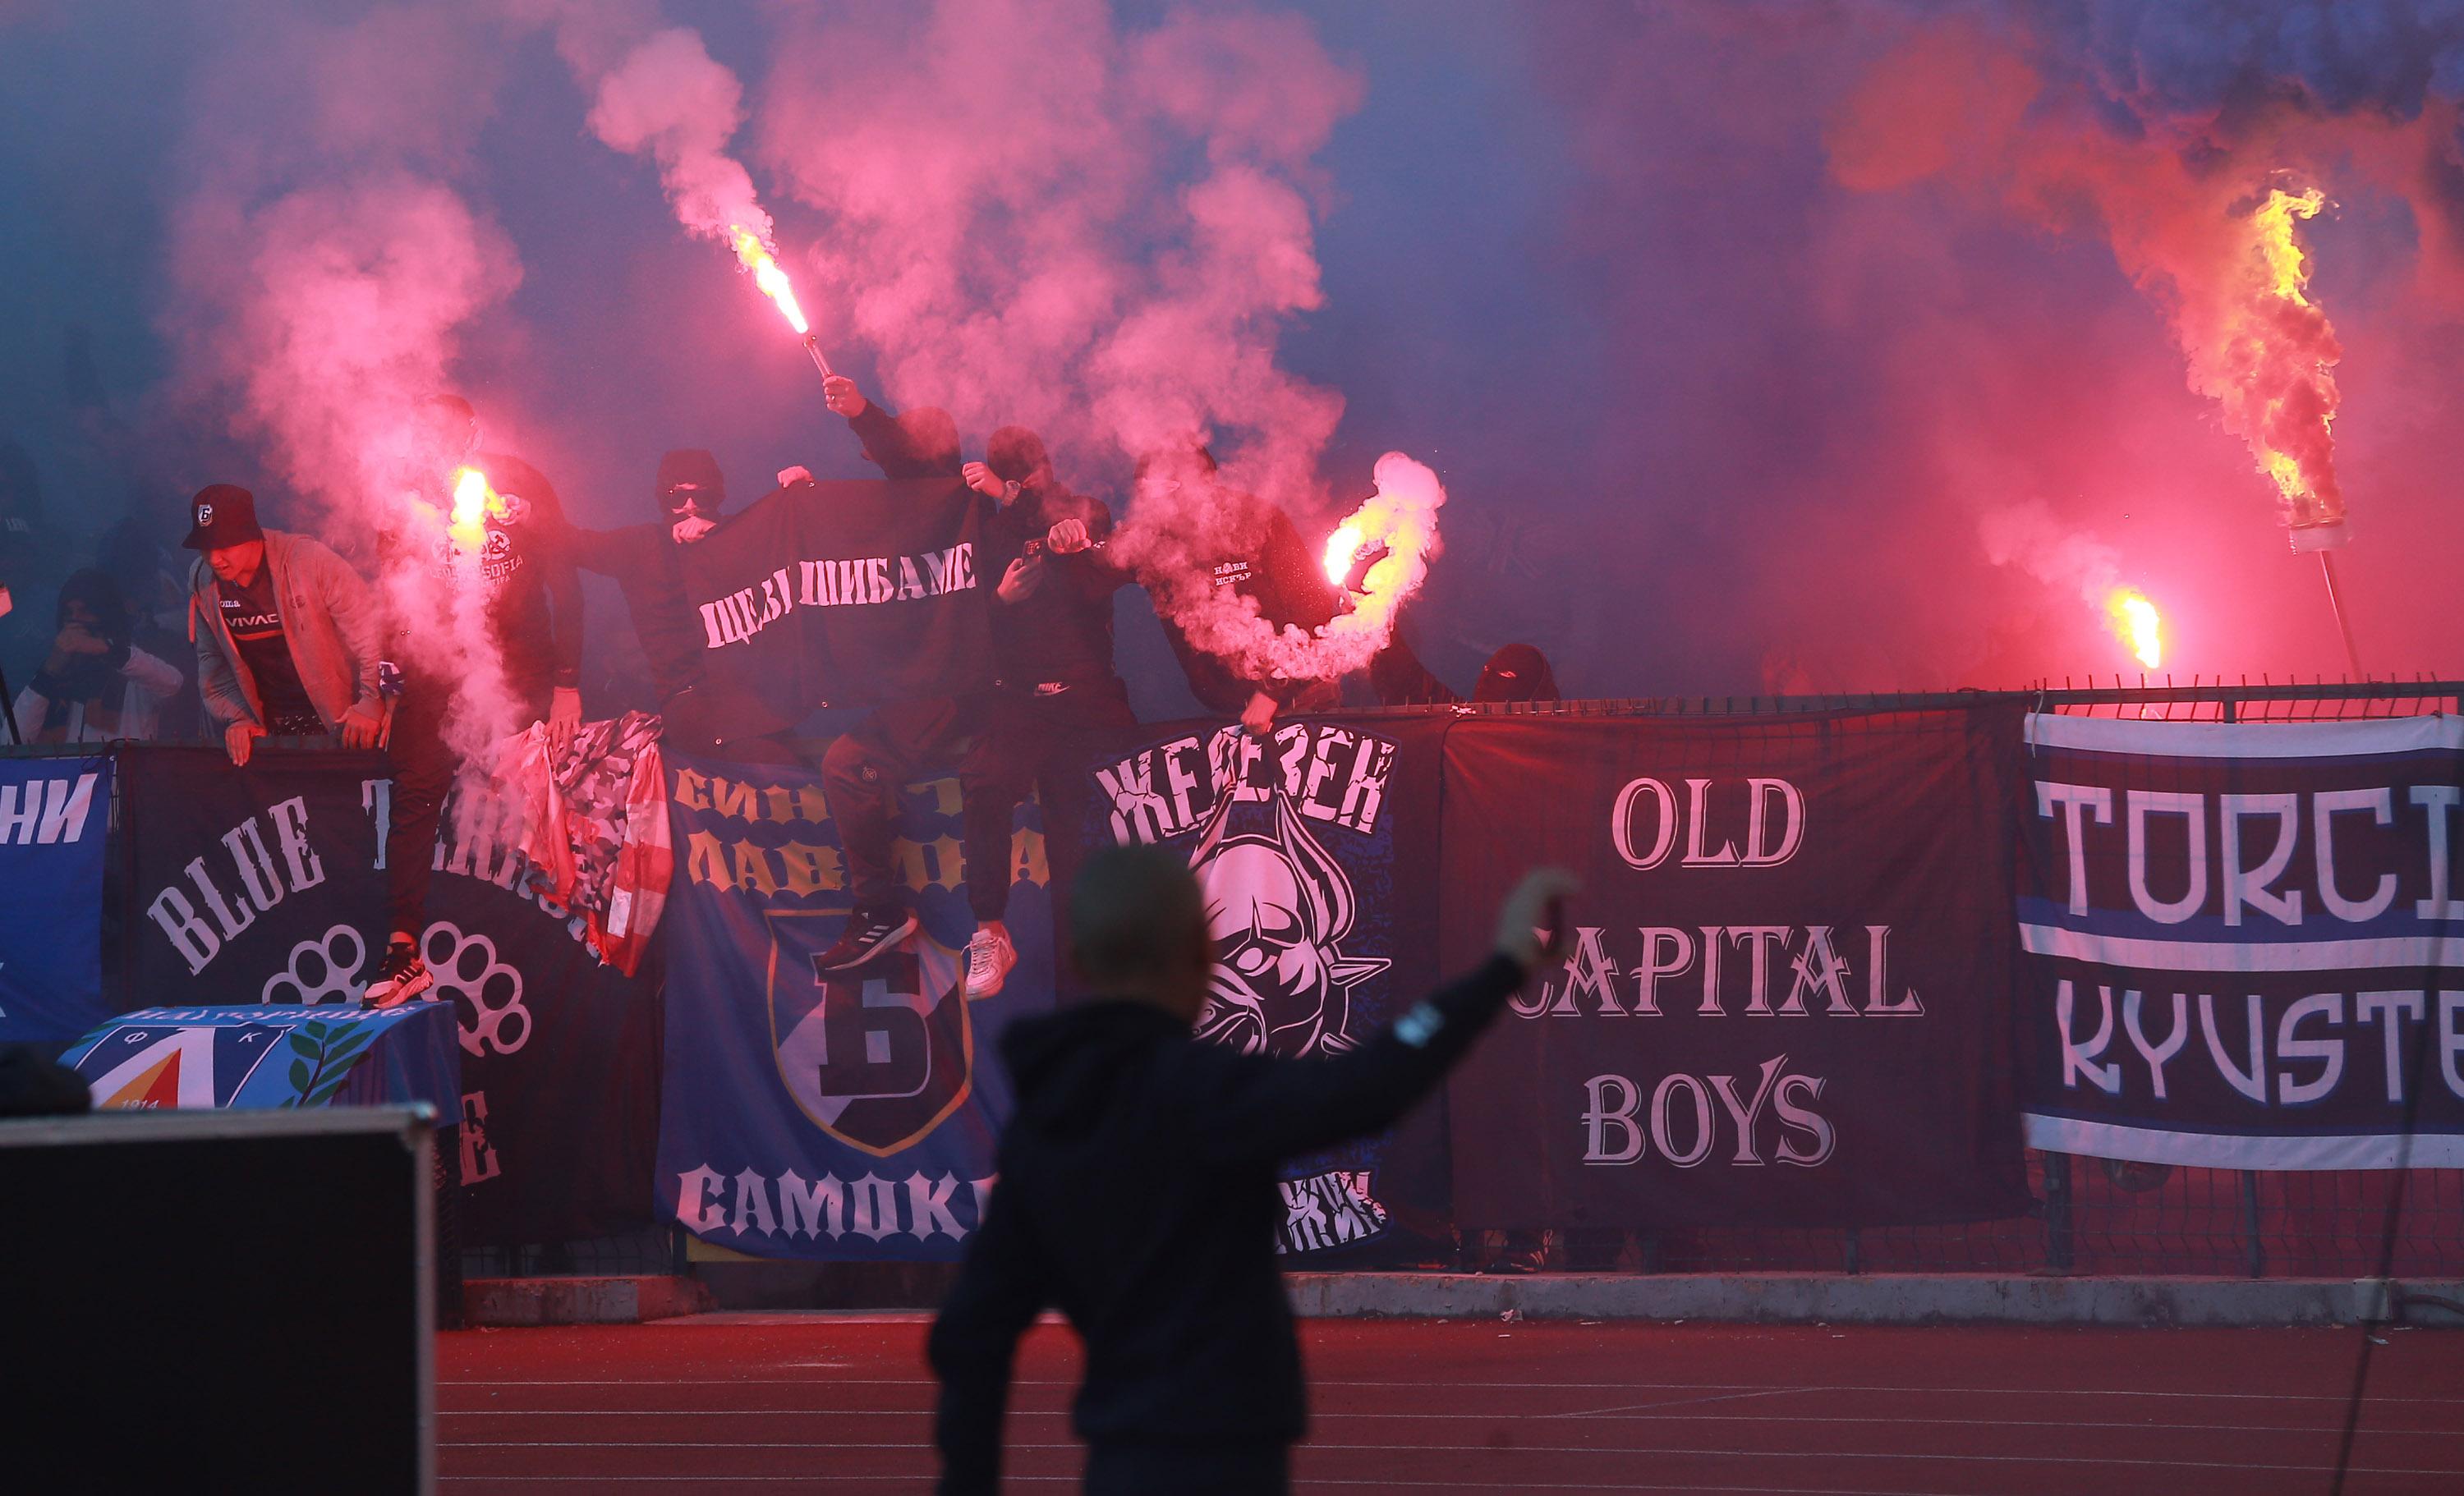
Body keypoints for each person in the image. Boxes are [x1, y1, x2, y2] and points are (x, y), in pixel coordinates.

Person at [928, 847, 1577, 1494]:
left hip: (1124, 1454)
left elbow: (973, 1331)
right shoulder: (1208, 1094)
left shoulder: (1049, 1125)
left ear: (1081, 961)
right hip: (1230, 1452)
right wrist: (1498, 971)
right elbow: (1377, 1078)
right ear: (1196, 955)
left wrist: (967, 1480)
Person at [944, 426, 1133, 998]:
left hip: (1087, 697)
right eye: (1017, 480)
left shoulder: (1084, 512)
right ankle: (990, 931)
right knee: (984, 780)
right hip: (1020, 699)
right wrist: (999, 602)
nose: (1029, 486)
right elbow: (958, 624)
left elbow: (1114, 571)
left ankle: (1128, 939)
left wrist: (1074, 543)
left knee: (1112, 807)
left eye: (1033, 476)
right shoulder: (986, 532)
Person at [806, 377, 982, 975]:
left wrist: (861, 412)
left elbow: (908, 460)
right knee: (846, 761)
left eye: (890, 452)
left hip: (958, 689)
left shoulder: (956, 502)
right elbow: (845, 543)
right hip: (919, 688)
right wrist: (803, 508)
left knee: (846, 763)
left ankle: (878, 910)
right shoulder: (904, 514)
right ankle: (880, 912)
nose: (877, 464)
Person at [546, 447, 802, 763]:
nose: (690, 507)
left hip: (750, 692)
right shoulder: (640, 545)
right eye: (678, 497)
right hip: (688, 697)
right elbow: (569, 543)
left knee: (797, 769)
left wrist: (804, 492)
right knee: (768, 764)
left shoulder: (739, 534)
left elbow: (797, 533)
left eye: (701, 496)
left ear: (716, 497)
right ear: (663, 498)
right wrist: (524, 510)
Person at [1132, 441, 1343, 737]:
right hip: (1228, 713)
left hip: (1300, 700)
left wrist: (1272, 691)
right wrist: (1070, 541)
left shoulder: (1258, 519)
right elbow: (1101, 562)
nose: (1157, 505)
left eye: (1168, 489)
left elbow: (1314, 607)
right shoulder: (1156, 543)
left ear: (1203, 481)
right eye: (1147, 492)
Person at [11, 568, 185, 742]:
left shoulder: (134, 668)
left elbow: (173, 683)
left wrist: (106, 649)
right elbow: (11, 742)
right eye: (68, 613)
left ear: (105, 615)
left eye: (85, 611)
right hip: (57, 761)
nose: (75, 620)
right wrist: (48, 672)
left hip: (126, 760)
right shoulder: (52, 673)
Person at [1371, 635, 1561, 707]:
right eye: (1486, 670)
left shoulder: (1541, 752)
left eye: (1504, 674)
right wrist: (1380, 623)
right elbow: (1413, 684)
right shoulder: (1458, 718)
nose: (1485, 679)